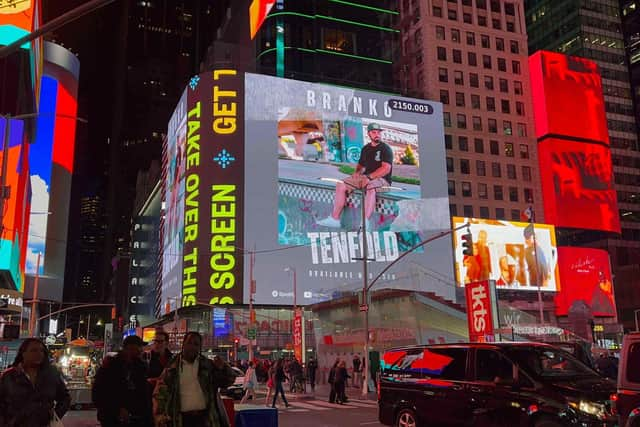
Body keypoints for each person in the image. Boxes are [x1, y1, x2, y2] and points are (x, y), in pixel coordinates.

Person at [317, 122, 393, 229]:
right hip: (366, 177)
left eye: (378, 132)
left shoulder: (385, 149)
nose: (377, 135)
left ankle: (365, 222)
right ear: (369, 134)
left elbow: (386, 169)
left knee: (370, 187)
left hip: (382, 180)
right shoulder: (366, 149)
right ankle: (334, 219)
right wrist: (356, 175)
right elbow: (360, 166)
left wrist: (369, 177)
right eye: (374, 132)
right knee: (341, 184)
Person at [153, 331, 235, 427]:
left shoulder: (208, 366)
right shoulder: (172, 368)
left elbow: (228, 381)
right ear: (183, 344)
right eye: (189, 343)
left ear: (199, 347)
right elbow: (160, 394)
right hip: (181, 420)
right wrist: (160, 416)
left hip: (205, 420)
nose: (192, 347)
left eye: (196, 344)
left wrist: (224, 368)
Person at [0, 338, 70, 427]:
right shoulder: (9, 376)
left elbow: (65, 398)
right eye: (34, 350)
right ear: (23, 353)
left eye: (42, 351)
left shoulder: (51, 374)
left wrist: (53, 416)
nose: (39, 354)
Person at [92, 335, 152, 427]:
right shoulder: (111, 367)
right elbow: (98, 394)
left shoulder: (141, 367)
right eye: (138, 348)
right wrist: (117, 409)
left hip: (137, 418)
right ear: (128, 349)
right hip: (113, 419)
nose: (141, 350)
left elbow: (143, 392)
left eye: (141, 347)